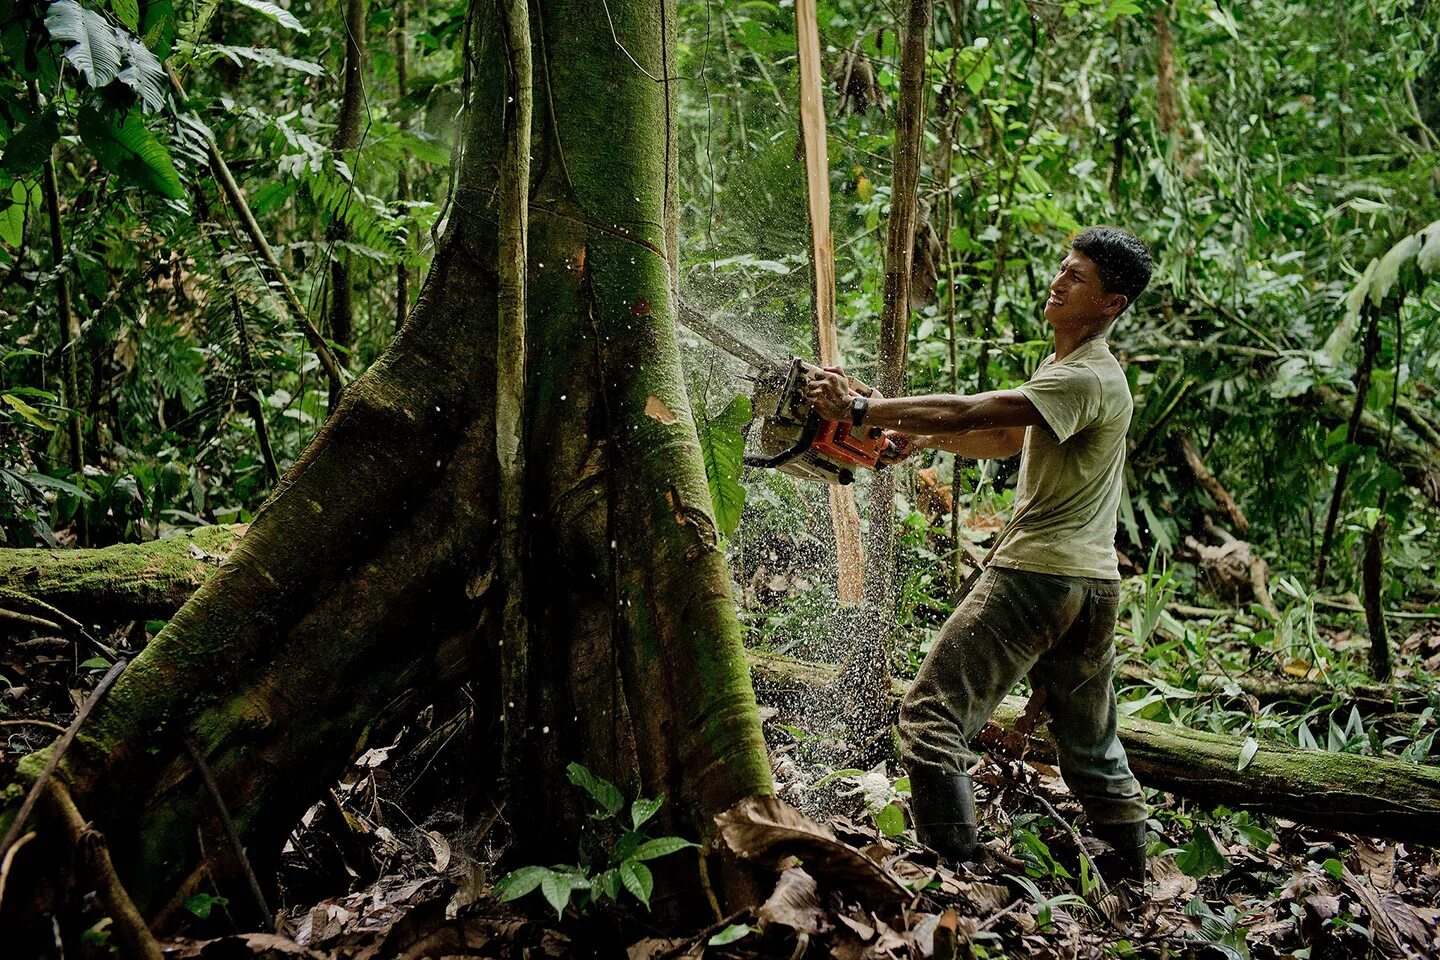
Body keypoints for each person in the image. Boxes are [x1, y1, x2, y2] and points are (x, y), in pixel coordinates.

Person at [803, 226, 1153, 883]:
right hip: (1093, 586)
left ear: (1112, 304)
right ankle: (1137, 877)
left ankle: (954, 876)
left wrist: (863, 408)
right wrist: (912, 438)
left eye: (1077, 277)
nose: (1058, 280)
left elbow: (974, 408)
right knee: (1091, 745)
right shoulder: (1074, 374)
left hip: (1036, 576)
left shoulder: (1087, 375)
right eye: (1062, 268)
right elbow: (998, 435)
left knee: (929, 716)